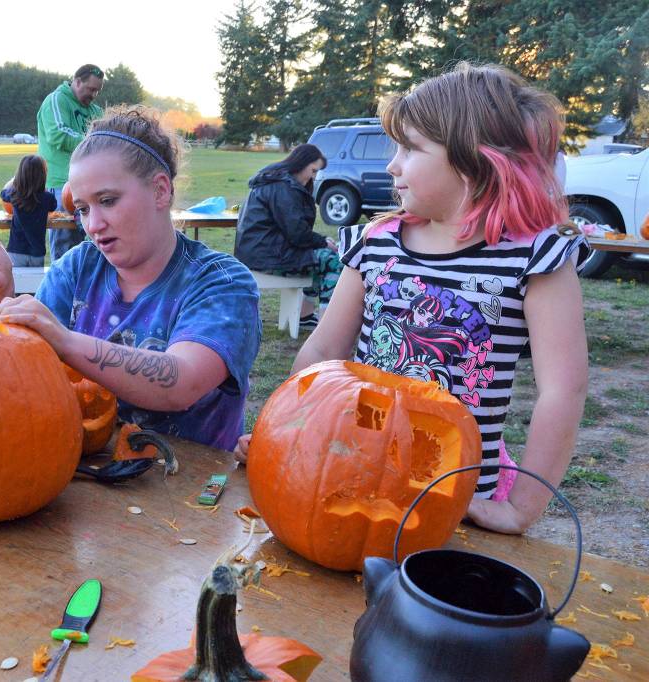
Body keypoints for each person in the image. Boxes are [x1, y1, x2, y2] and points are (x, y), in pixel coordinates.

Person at [236, 63, 590, 535]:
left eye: (410, 148)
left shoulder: (537, 257)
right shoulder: (374, 241)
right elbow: (322, 354)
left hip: (455, 499)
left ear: (475, 160)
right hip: (351, 477)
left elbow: (563, 391)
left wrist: (522, 508)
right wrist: (280, 436)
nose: (392, 165)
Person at [0, 106, 262, 450]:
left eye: (108, 201)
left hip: (188, 490)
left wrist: (66, 341)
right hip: (85, 476)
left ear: (160, 190)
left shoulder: (220, 282)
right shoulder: (78, 267)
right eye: (83, 209)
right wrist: (1, 297)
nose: (93, 224)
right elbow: (26, 373)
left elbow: (183, 382)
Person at [233, 143, 342, 330]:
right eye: (313, 171)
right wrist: (323, 241)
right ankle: (327, 327)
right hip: (267, 256)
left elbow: (294, 230)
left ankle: (305, 316)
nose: (314, 177)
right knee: (334, 261)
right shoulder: (282, 187)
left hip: (260, 252)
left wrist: (320, 242)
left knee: (316, 258)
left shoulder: (276, 180)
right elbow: (297, 233)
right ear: (301, 164)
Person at [37, 64, 105, 261]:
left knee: (93, 242)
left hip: (91, 186)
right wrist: (93, 141)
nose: (93, 95)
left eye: (97, 91)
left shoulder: (95, 110)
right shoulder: (57, 100)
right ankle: (63, 289)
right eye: (90, 89)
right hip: (61, 185)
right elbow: (58, 135)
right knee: (65, 247)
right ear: (77, 81)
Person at [0, 155, 58, 267]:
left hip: (16, 250)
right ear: (43, 176)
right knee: (34, 283)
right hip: (37, 253)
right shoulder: (47, 197)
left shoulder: (14, 194)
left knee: (17, 282)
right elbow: (53, 206)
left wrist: (14, 182)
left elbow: (3, 193)